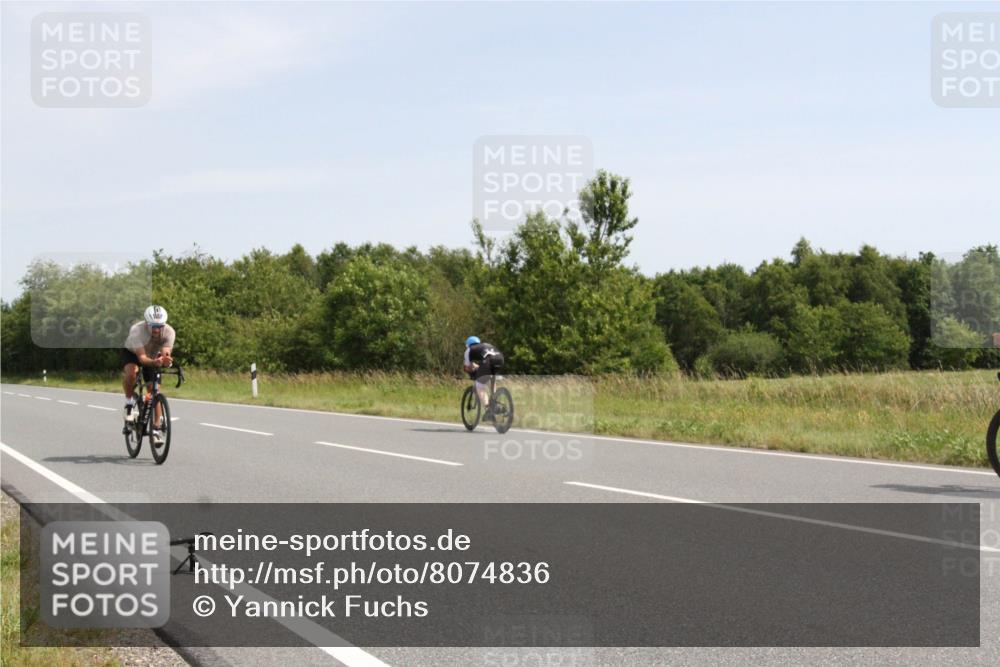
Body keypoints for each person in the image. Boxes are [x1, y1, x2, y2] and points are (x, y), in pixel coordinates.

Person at [121, 305, 175, 446]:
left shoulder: (169, 332)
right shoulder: (137, 331)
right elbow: (142, 358)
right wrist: (154, 361)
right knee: (132, 373)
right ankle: (129, 401)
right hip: (134, 354)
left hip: (153, 355)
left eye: (160, 326)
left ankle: (156, 428)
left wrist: (166, 360)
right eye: (153, 326)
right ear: (146, 323)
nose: (157, 330)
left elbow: (166, 351)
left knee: (154, 390)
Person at [463, 336, 504, 420]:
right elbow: (483, 363)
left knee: (479, 386)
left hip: (488, 361)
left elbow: (467, 367)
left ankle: (488, 408)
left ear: (468, 344)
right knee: (491, 378)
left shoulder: (469, 350)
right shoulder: (485, 346)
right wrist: (478, 367)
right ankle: (494, 402)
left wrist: (471, 371)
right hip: (500, 359)